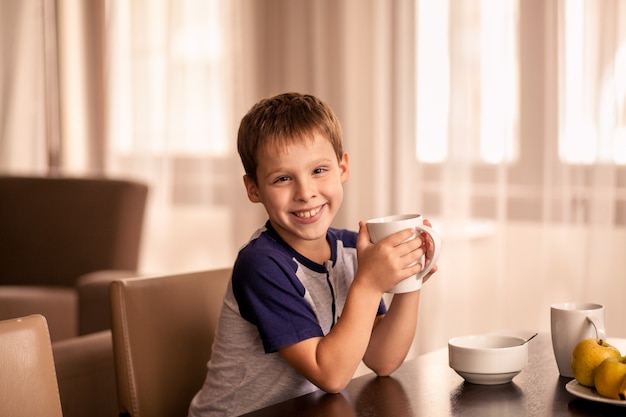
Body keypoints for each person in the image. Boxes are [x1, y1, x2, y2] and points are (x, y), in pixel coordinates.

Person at [188, 92, 438, 416]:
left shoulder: (351, 250)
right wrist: (370, 283)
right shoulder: (261, 264)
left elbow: (383, 360)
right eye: (282, 178)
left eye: (319, 170)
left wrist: (409, 280)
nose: (305, 193)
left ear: (342, 167)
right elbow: (330, 374)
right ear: (254, 189)